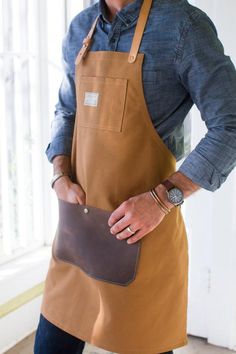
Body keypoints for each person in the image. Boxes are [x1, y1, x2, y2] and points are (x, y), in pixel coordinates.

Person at [34, 0, 236, 353]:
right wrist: (59, 173)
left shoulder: (184, 27)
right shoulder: (82, 27)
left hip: (141, 241)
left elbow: (230, 125)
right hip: (76, 240)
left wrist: (161, 200)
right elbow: (67, 110)